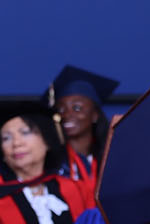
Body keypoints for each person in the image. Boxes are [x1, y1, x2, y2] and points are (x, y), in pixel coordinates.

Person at [46, 64, 118, 192]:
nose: (67, 115)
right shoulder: (50, 163)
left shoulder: (111, 159)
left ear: (95, 115)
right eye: (61, 109)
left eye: (77, 108)